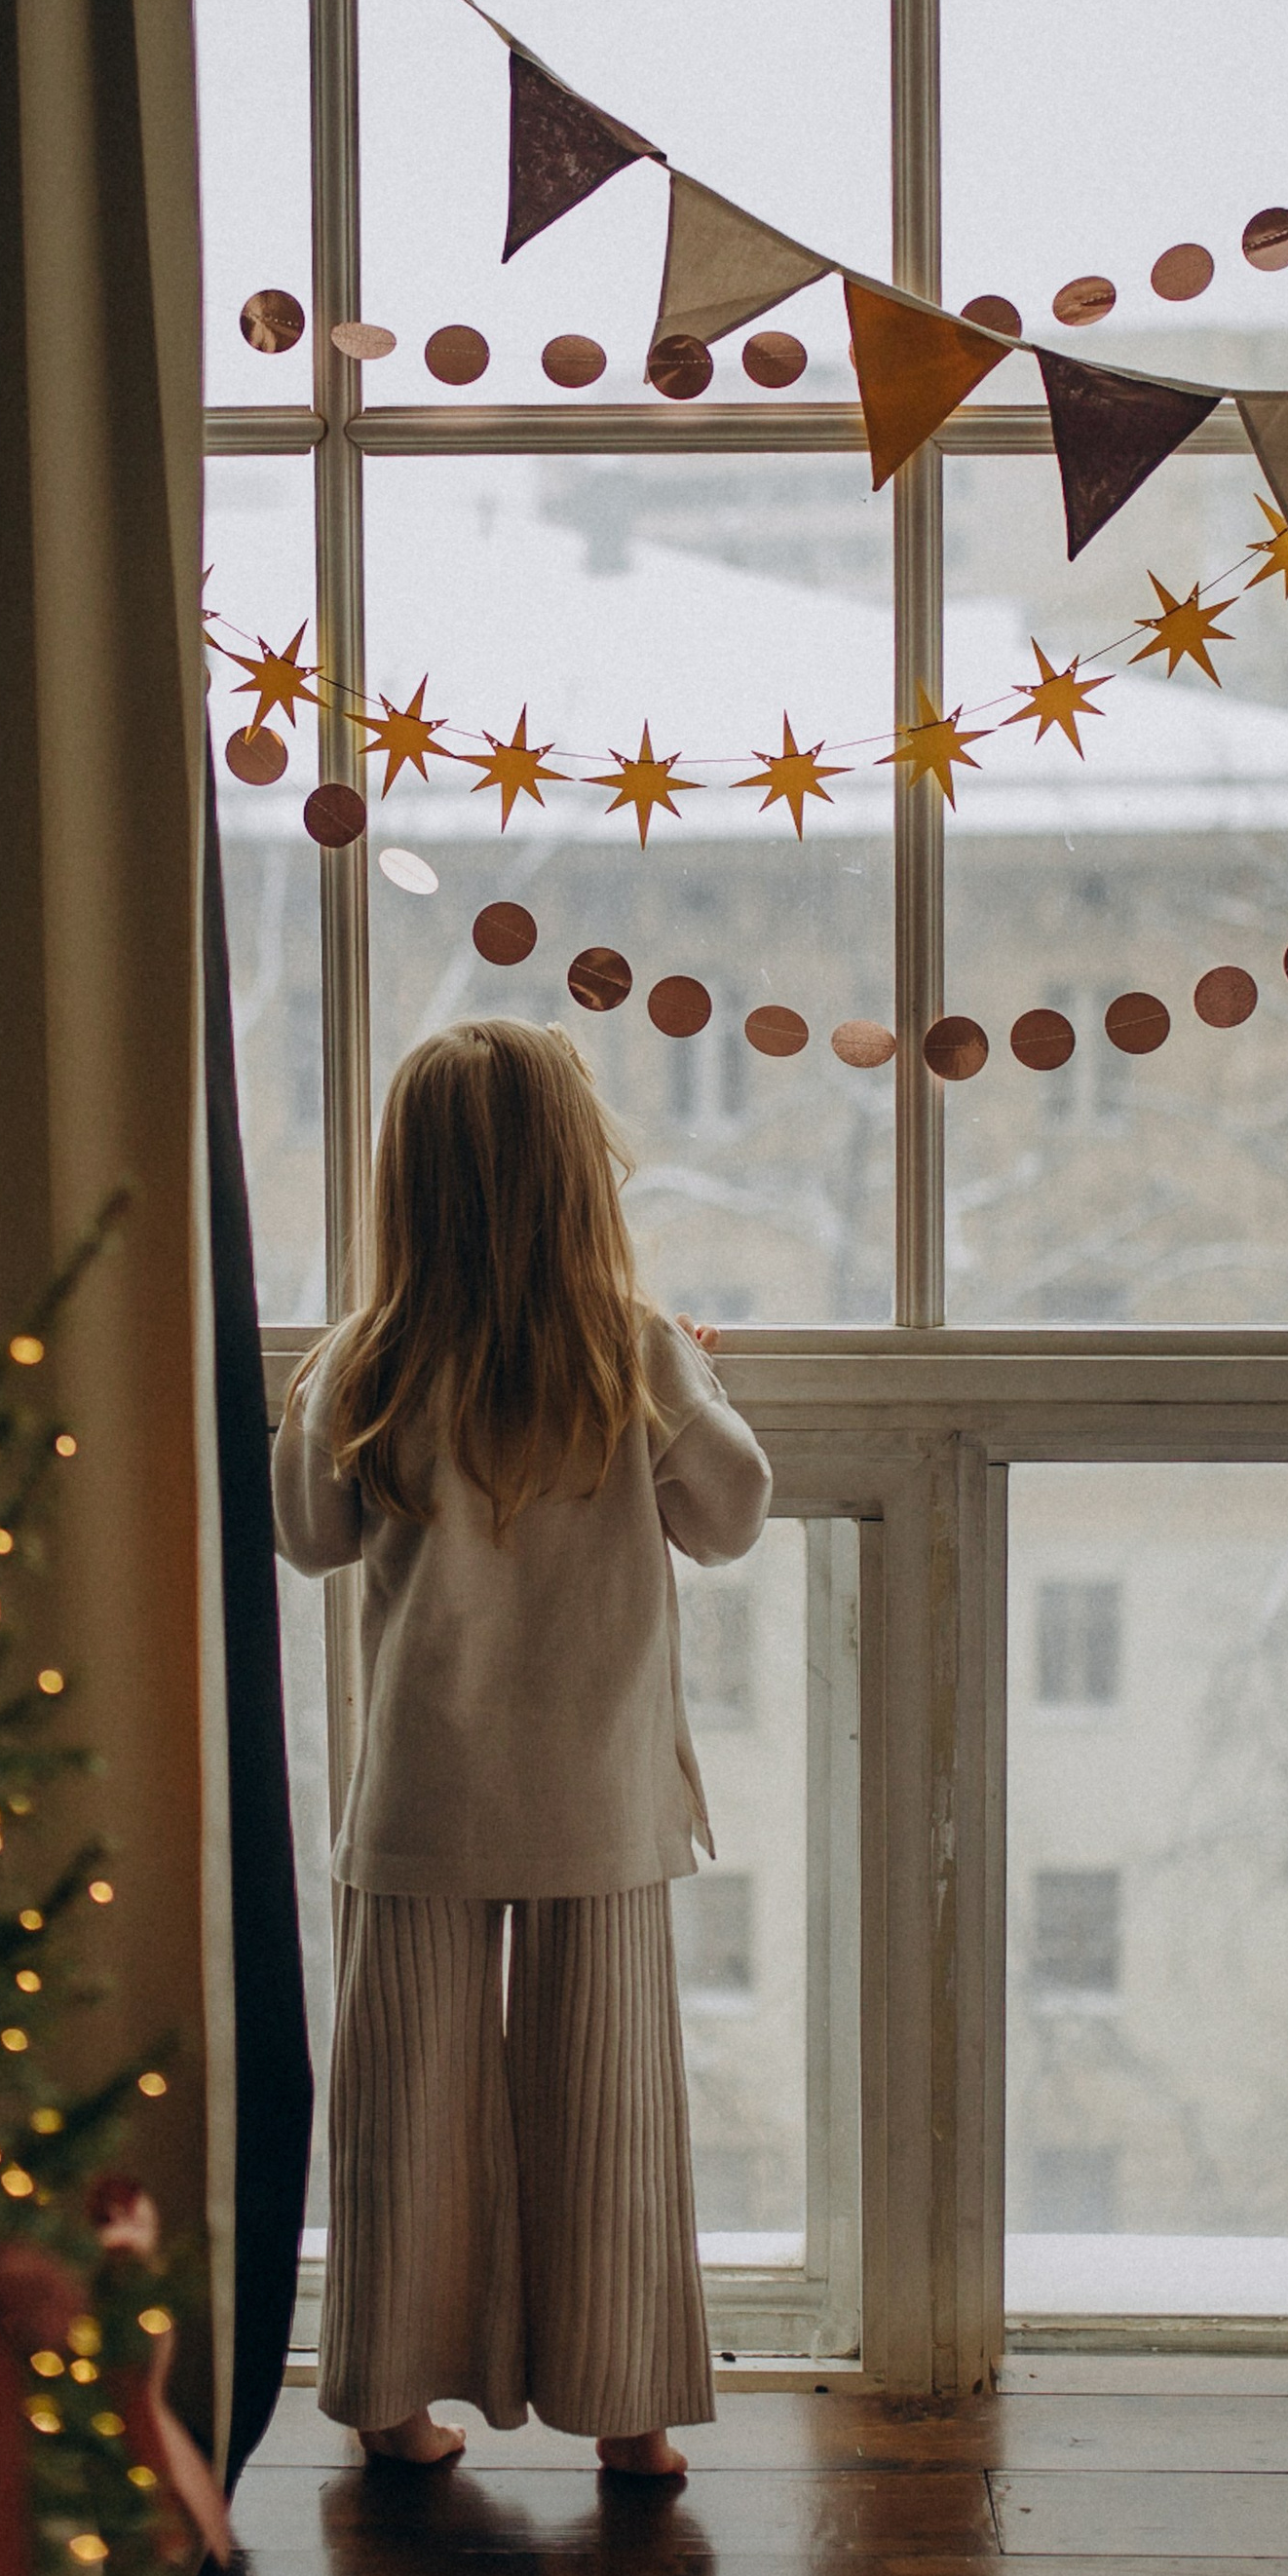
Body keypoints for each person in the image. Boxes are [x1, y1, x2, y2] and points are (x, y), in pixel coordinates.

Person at [273, 1017, 773, 2481]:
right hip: (597, 1804)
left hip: (423, 1803)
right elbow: (731, 1515)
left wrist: (311, 1392)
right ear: (579, 1180)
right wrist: (699, 1386)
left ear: (405, 1187)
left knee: (401, 2110)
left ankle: (389, 2400)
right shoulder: (633, 1350)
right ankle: (626, 2421)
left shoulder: (369, 1357)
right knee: (604, 2108)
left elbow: (306, 1538)